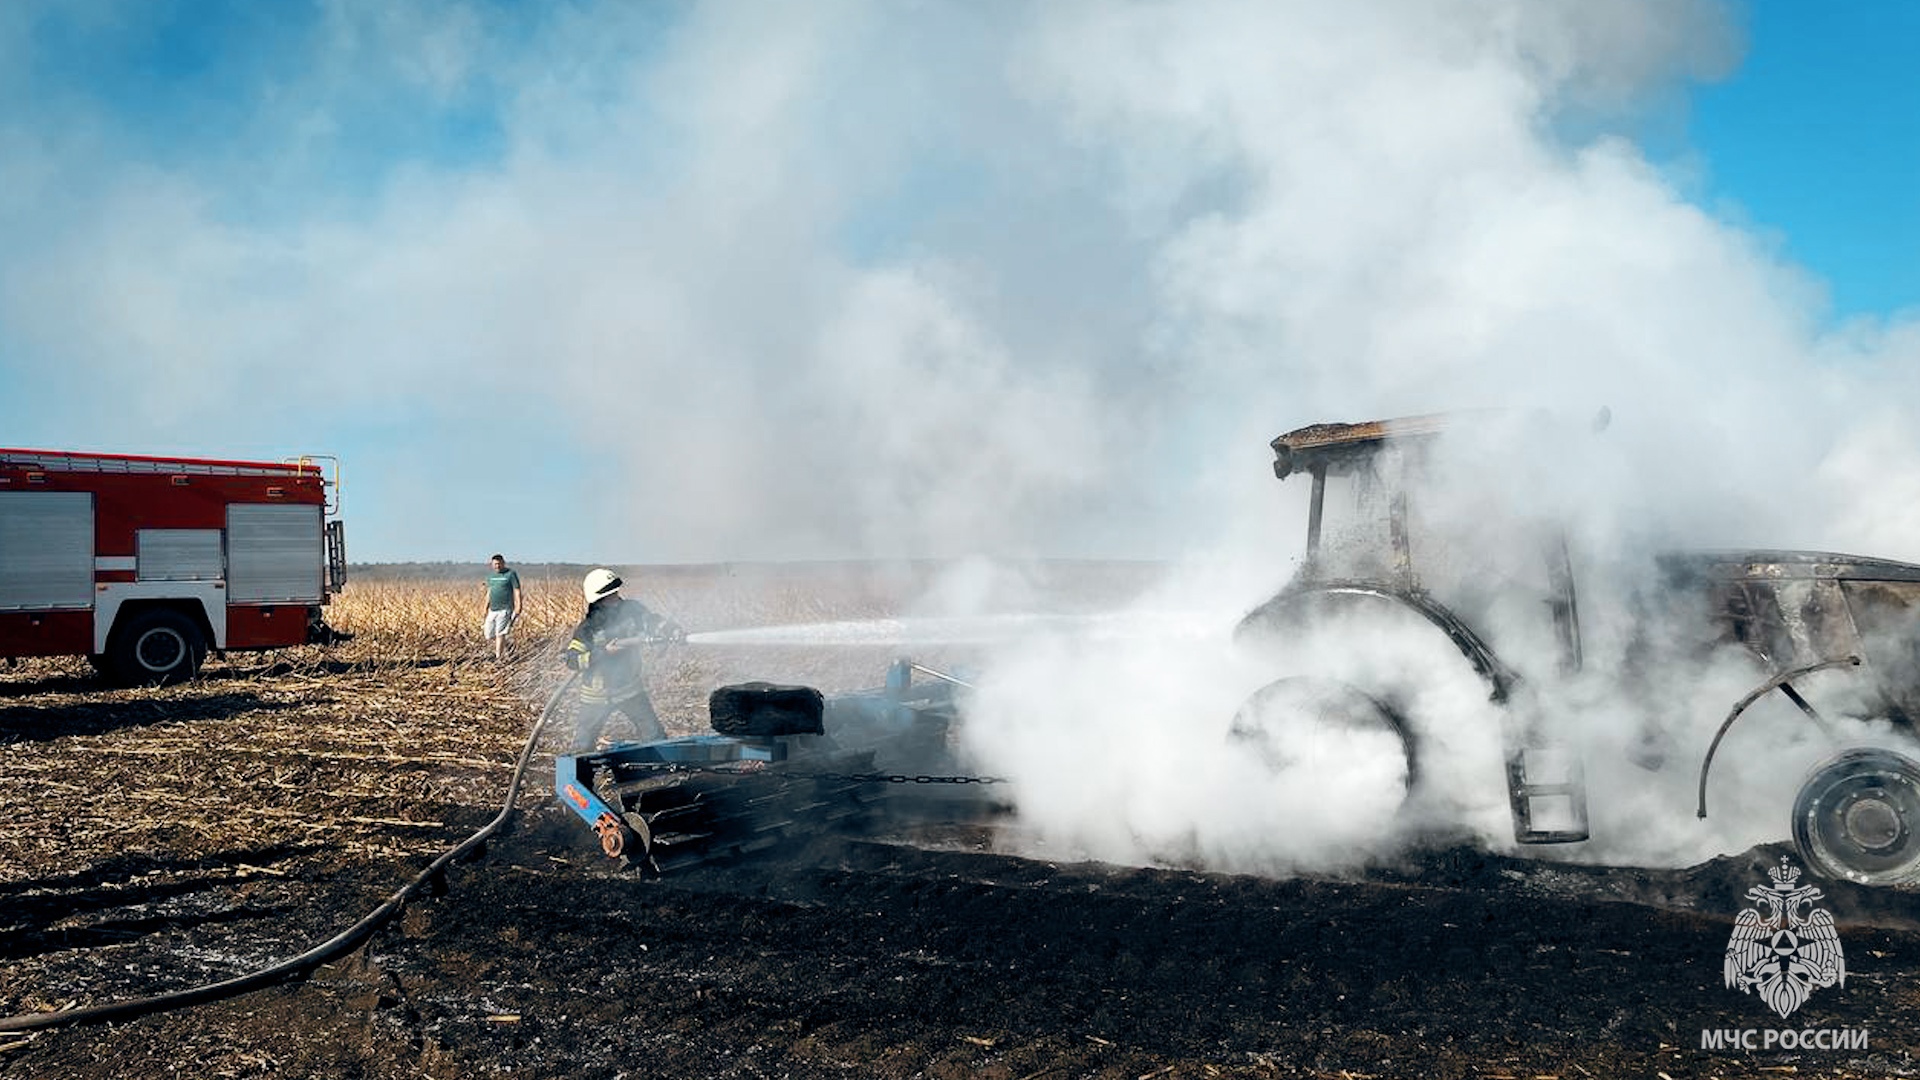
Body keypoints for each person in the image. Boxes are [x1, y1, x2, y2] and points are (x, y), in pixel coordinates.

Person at [563, 568, 687, 753]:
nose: (616, 598)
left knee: (655, 736)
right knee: (583, 746)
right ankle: (578, 779)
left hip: (630, 690)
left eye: (615, 592)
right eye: (609, 595)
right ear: (598, 600)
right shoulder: (587, 629)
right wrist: (604, 652)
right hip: (596, 697)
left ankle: (662, 773)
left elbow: (652, 621)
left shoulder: (632, 610)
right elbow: (572, 660)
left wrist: (672, 630)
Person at [482, 554, 522, 661]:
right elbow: (489, 592)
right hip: (493, 609)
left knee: (500, 634)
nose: (497, 566)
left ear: (503, 563)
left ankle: (498, 658)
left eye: (499, 563)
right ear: (492, 565)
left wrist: (518, 606)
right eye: (495, 564)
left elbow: (517, 590)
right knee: (489, 635)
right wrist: (485, 607)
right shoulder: (490, 577)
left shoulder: (510, 574)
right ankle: (508, 645)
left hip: (505, 609)